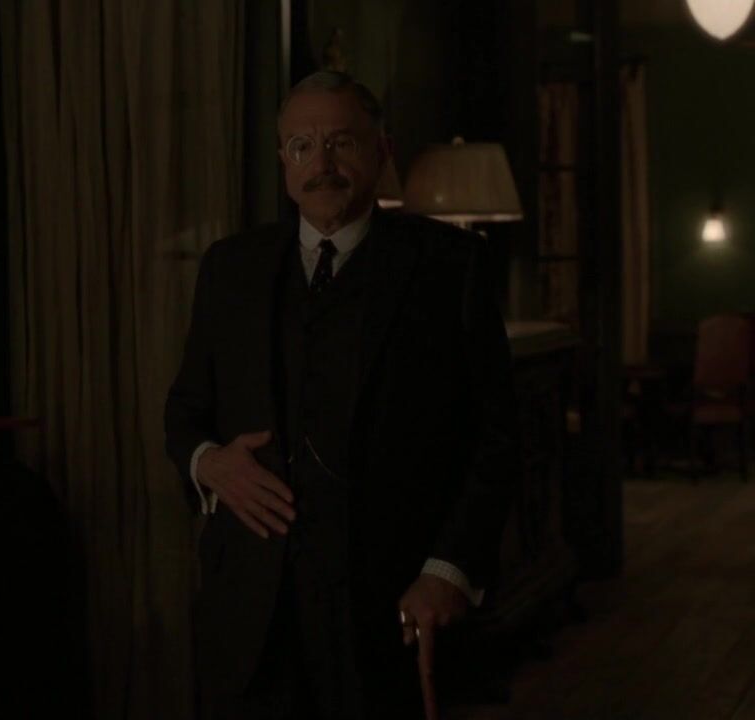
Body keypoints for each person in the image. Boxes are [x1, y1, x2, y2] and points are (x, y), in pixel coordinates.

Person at [164, 70, 520, 720]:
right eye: (302, 146)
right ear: (283, 159)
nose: (321, 164)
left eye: (341, 143)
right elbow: (184, 413)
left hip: (391, 604)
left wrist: (447, 569)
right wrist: (207, 463)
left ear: (382, 150)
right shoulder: (229, 268)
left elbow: (498, 436)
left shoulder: (450, 267)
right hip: (251, 614)